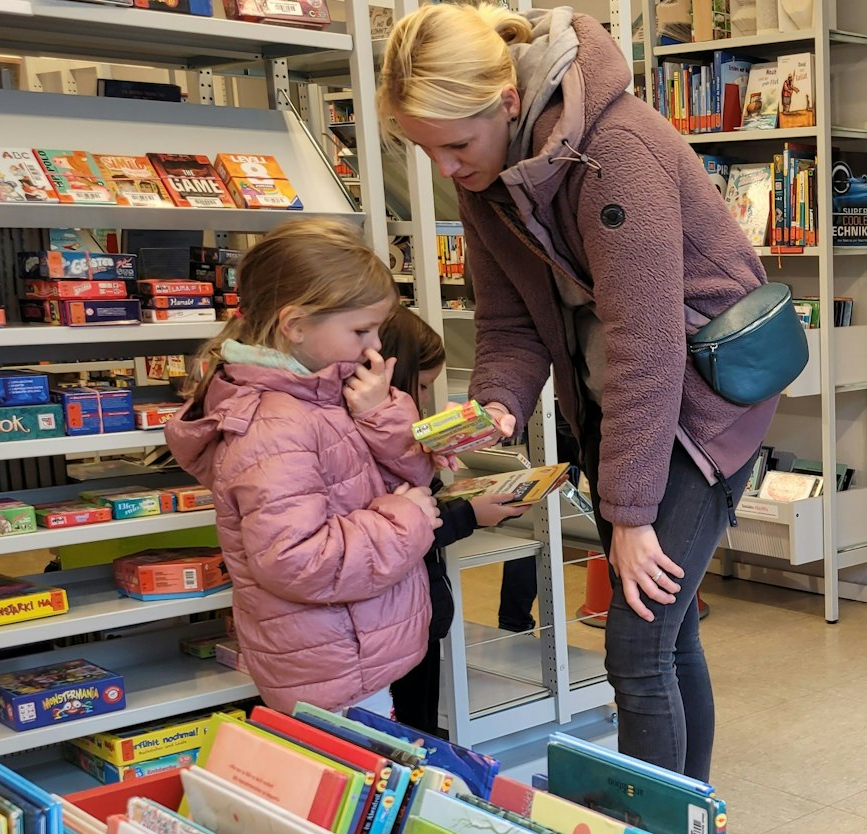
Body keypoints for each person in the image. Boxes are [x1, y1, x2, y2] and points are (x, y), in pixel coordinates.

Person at [380, 2, 772, 781]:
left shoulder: (613, 152)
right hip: (621, 400)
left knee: (636, 640)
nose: (448, 169)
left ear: (510, 101)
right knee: (666, 632)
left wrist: (628, 515)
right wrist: (499, 404)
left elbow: (648, 344)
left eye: (457, 144)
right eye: (428, 152)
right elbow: (508, 318)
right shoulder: (487, 174)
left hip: (700, 399)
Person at [167, 219, 439, 717]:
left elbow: (416, 475)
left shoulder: (326, 393)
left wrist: (380, 413)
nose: (375, 346)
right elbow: (298, 559)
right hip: (331, 664)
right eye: (361, 330)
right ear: (295, 325)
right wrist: (407, 519)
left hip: (355, 645)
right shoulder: (275, 423)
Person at [377, 310, 533, 735]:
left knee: (421, 714)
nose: (426, 399)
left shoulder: (396, 437)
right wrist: (469, 514)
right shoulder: (372, 443)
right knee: (411, 723)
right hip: (400, 614)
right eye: (423, 385)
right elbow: (404, 527)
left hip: (417, 610)